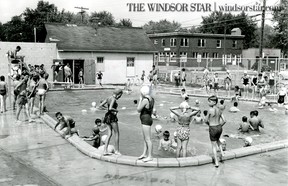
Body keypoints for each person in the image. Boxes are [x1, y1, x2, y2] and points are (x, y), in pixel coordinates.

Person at [204, 95, 227, 167]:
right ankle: (222, 153)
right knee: (218, 139)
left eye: (209, 101)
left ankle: (216, 162)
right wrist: (219, 126)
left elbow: (205, 120)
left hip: (213, 127)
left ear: (214, 102)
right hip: (219, 127)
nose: (208, 103)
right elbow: (225, 120)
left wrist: (209, 125)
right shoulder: (219, 110)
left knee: (213, 146)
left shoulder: (210, 110)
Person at [99, 88, 123, 155]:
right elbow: (110, 108)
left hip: (107, 117)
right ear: (118, 94)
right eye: (120, 95)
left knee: (109, 134)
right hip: (112, 117)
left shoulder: (108, 98)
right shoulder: (113, 99)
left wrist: (107, 109)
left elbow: (100, 106)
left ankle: (105, 150)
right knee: (117, 134)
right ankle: (117, 151)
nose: (120, 97)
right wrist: (116, 110)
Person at [137, 86, 154, 162]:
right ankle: (144, 153)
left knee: (148, 139)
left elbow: (138, 110)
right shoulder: (152, 99)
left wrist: (140, 99)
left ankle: (150, 156)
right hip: (148, 118)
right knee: (145, 138)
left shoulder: (145, 100)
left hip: (146, 120)